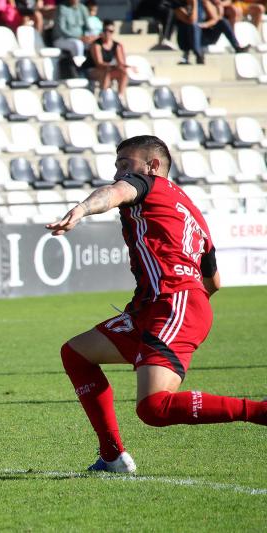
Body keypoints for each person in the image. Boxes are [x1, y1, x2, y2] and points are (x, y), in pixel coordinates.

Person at [46, 135, 267, 473]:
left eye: (125, 164)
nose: (119, 172)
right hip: (159, 305)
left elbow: (114, 193)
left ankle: (260, 411)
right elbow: (214, 282)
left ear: (151, 166)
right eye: (117, 165)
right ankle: (112, 456)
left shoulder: (145, 185)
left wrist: (81, 210)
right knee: (76, 353)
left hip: (171, 302)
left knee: (154, 408)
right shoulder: (190, 209)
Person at [82, 19, 131, 98]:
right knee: (106, 72)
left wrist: (127, 66)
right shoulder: (96, 44)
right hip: (91, 69)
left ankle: (120, 97)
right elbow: (99, 63)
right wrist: (112, 66)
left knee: (123, 72)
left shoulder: (116, 45)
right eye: (105, 30)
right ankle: (104, 97)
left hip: (106, 69)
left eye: (110, 31)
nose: (108, 33)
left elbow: (121, 62)